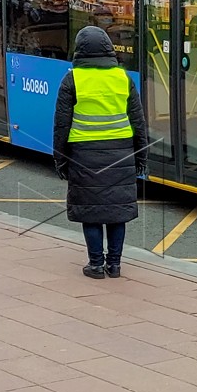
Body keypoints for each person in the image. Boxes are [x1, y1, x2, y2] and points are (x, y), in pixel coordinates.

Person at [53, 25, 149, 280]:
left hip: (84, 154)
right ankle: (114, 265)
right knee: (117, 212)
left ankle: (96, 265)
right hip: (121, 153)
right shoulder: (123, 78)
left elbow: (61, 124)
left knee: (91, 211)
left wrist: (60, 160)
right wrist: (141, 157)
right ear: (109, 49)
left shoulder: (72, 79)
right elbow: (138, 121)